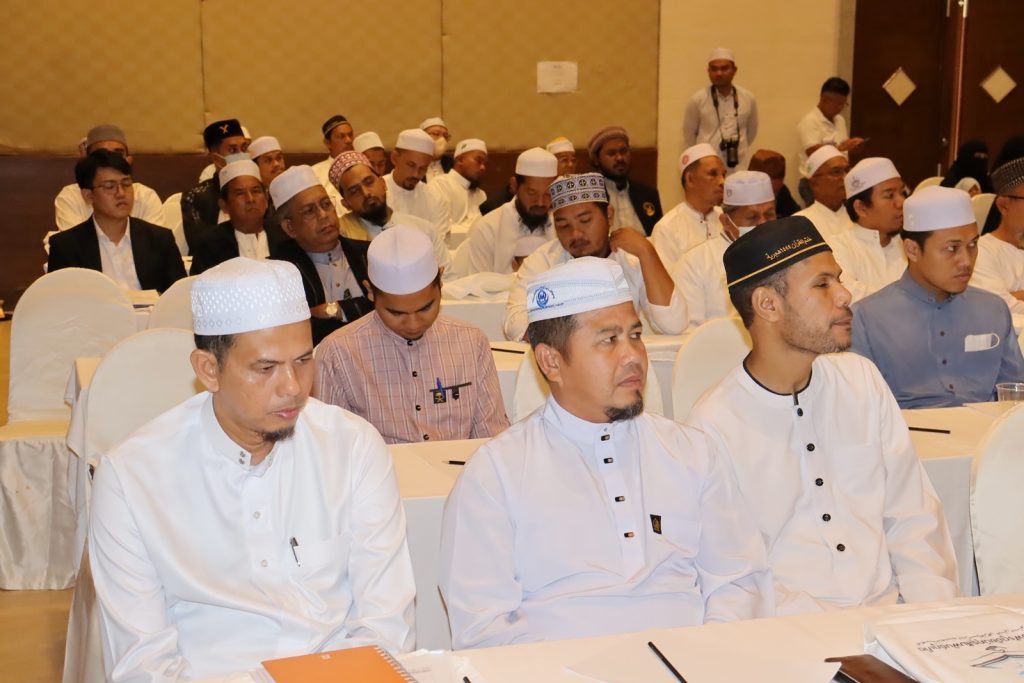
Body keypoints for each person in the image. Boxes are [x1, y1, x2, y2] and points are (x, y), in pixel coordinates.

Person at [89, 258, 416, 680]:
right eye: (266, 368)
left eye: (303, 360)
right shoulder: (132, 478)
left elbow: (386, 625)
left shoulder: (352, 446)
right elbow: (142, 664)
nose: (293, 387)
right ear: (209, 370)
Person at [441, 256, 772, 648]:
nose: (633, 356)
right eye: (609, 340)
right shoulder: (496, 474)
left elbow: (739, 580)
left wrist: (708, 657)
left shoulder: (692, 451)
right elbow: (483, 627)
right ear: (551, 362)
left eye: (635, 335)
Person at [686, 216, 959, 616]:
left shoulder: (860, 380)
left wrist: (932, 617)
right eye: (822, 284)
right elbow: (737, 576)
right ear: (768, 304)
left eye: (839, 280)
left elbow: (914, 516)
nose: (845, 295)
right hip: (792, 634)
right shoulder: (713, 425)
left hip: (895, 618)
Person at [315, 226, 509, 444]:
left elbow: (491, 436)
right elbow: (330, 447)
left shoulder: (471, 342)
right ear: (369, 292)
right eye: (396, 313)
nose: (413, 324)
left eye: (426, 308)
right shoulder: (338, 353)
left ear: (441, 281)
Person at [852, 186, 1024, 408]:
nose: (966, 261)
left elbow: (1016, 391)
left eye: (972, 245)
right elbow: (859, 408)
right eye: (952, 248)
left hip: (986, 428)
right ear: (912, 250)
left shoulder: (993, 309)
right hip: (905, 429)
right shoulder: (867, 318)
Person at [504, 173, 685, 341]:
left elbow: (674, 324)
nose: (575, 234)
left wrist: (647, 253)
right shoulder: (543, 261)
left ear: (609, 215)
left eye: (585, 221)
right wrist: (579, 341)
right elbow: (515, 322)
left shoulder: (632, 257)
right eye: (563, 225)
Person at [48, 150, 185, 293]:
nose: (121, 193)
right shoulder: (66, 246)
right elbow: (61, 300)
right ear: (88, 195)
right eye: (109, 186)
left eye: (126, 184)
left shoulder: (159, 239)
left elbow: (179, 295)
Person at [269, 166, 373, 345]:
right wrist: (363, 306)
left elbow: (392, 308)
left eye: (326, 204)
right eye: (309, 211)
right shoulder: (278, 273)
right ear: (289, 227)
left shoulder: (369, 254)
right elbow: (291, 330)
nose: (324, 215)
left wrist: (335, 309)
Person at [672, 171, 775, 329]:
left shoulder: (788, 253)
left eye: (769, 215)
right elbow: (690, 333)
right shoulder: (694, 264)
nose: (763, 224)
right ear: (726, 221)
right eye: (752, 217)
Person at [331, 151, 451, 274]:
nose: (366, 193)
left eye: (369, 182)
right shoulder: (343, 240)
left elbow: (448, 277)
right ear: (346, 204)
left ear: (383, 183)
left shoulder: (424, 230)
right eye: (354, 191)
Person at [53, 124, 164, 231]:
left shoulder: (145, 196)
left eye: (117, 154)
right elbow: (72, 242)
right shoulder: (71, 196)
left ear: (129, 160)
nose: (110, 160)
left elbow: (156, 240)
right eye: (109, 186)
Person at [465, 147, 557, 275]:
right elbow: (478, 283)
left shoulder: (562, 228)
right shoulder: (487, 228)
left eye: (548, 194)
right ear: (514, 185)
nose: (540, 202)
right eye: (532, 193)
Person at [829, 157, 907, 300]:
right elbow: (848, 295)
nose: (901, 202)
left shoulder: (910, 244)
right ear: (861, 208)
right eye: (890, 195)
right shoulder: (838, 247)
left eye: (902, 193)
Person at [682, 48, 758, 172]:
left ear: (734, 70)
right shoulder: (698, 99)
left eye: (724, 68)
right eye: (714, 69)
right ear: (708, 71)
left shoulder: (748, 98)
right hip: (708, 167)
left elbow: (751, 132)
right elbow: (689, 135)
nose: (719, 73)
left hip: (739, 165)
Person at [189, 161, 272, 275]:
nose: (250, 199)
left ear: (266, 199)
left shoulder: (284, 239)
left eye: (256, 191)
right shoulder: (209, 245)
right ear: (224, 205)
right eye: (240, 193)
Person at [651, 143, 725, 270]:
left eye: (723, 175)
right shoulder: (666, 229)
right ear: (690, 179)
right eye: (713, 174)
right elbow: (664, 279)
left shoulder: (727, 219)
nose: (722, 181)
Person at [972, 154, 1024, 332]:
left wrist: (1015, 295)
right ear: (1003, 205)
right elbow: (999, 309)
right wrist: (1011, 299)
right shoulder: (981, 251)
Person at [182, 119, 249, 252]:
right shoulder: (196, 197)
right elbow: (200, 245)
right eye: (232, 150)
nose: (241, 155)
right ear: (215, 158)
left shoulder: (259, 192)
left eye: (244, 148)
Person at [796, 77, 864, 204]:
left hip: (839, 178)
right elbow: (812, 152)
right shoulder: (809, 121)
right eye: (838, 103)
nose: (841, 108)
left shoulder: (840, 120)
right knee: (820, 215)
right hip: (815, 181)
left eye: (844, 104)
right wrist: (841, 147)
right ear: (824, 99)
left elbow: (842, 151)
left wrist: (852, 148)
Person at [588, 126, 662, 235]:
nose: (619, 158)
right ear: (596, 160)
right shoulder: (591, 197)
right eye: (611, 153)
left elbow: (659, 235)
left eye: (623, 151)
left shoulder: (648, 194)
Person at [384, 129, 452, 240]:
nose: (415, 174)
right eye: (411, 165)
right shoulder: (377, 194)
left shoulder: (435, 199)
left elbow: (439, 243)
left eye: (423, 168)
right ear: (395, 158)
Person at [793, 145, 853, 241]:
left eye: (847, 171)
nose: (845, 177)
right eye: (836, 172)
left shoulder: (859, 217)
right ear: (814, 183)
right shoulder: (800, 222)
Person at [431, 138, 488, 234]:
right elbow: (441, 229)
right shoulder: (440, 185)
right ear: (460, 160)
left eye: (484, 163)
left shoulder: (481, 194)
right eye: (478, 160)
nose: (483, 167)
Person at [311, 114, 355, 217]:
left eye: (350, 135)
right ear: (328, 143)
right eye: (341, 136)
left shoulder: (362, 167)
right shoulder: (314, 173)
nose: (348, 140)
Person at [748, 149, 800, 217]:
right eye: (768, 191)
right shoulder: (739, 199)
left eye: (776, 191)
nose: (773, 196)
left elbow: (797, 216)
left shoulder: (782, 192)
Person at [420, 117, 454, 182]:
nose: (442, 139)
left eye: (445, 136)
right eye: (436, 134)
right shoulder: (413, 163)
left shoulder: (453, 164)